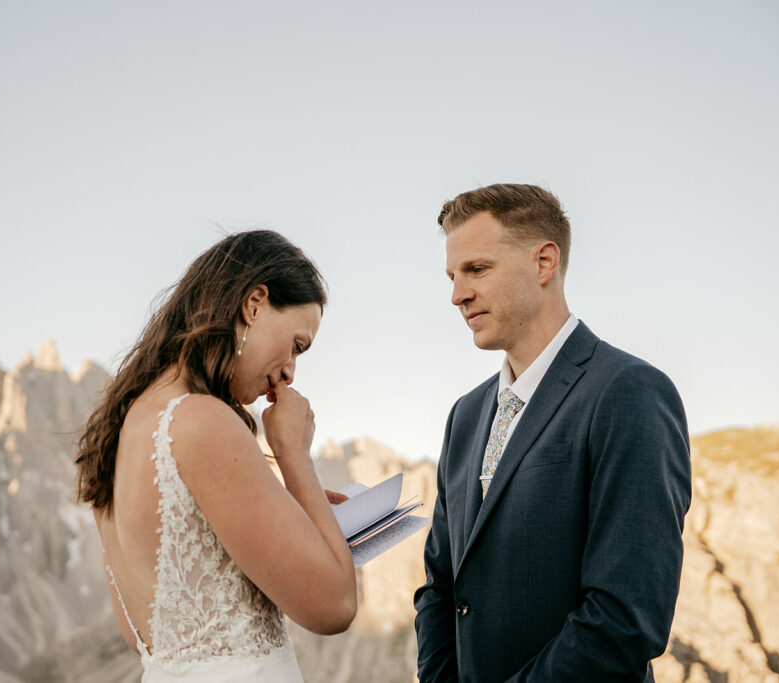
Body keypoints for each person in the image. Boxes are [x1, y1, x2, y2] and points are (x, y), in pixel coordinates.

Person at [413, 184, 692, 681]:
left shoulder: (629, 392)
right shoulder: (466, 415)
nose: (457, 295)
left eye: (477, 269)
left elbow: (626, 617)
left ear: (545, 262)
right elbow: (440, 587)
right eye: (453, 276)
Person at [75, 230, 356, 682]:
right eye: (297, 345)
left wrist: (289, 510)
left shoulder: (116, 436)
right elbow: (334, 607)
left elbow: (140, 632)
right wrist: (294, 455)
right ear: (254, 304)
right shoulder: (202, 420)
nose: (290, 369)